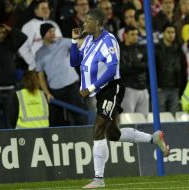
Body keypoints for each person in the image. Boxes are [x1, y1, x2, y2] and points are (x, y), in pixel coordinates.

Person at [70, 8, 170, 189]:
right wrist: (74, 41)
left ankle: (98, 179)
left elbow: (111, 69)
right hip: (99, 92)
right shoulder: (89, 41)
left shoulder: (109, 41)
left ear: (98, 24)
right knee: (113, 134)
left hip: (110, 88)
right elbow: (73, 61)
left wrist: (90, 87)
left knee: (98, 129)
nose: (84, 24)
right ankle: (153, 139)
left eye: (88, 20)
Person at [36, 23, 86, 126]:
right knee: (55, 121)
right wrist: (47, 93)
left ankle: (85, 139)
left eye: (53, 31)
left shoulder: (63, 42)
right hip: (55, 91)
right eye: (49, 31)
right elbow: (40, 77)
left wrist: (80, 35)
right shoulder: (39, 53)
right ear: (43, 34)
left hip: (71, 87)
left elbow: (80, 43)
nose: (52, 33)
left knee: (80, 117)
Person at [0, 24, 27, 129]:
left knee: (10, 124)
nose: (2, 35)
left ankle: (9, 144)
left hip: (10, 90)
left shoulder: (11, 46)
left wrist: (10, 28)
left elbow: (23, 37)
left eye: (4, 32)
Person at [19, 0, 62, 70]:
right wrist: (34, 63)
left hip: (57, 67)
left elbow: (61, 44)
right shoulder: (28, 26)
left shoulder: (54, 24)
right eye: (43, 8)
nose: (46, 10)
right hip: (40, 69)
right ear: (35, 11)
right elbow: (23, 48)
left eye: (47, 8)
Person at [120, 25, 149, 115]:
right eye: (132, 34)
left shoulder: (142, 48)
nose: (135, 37)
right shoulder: (120, 50)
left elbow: (147, 66)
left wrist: (134, 66)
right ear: (125, 35)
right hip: (128, 88)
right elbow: (122, 70)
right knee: (127, 119)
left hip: (143, 88)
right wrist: (139, 67)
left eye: (136, 34)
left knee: (144, 120)